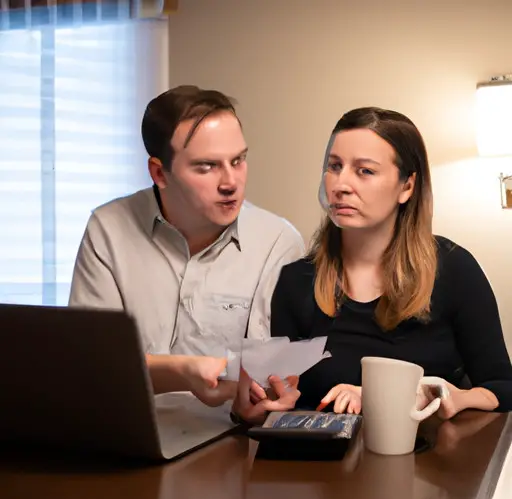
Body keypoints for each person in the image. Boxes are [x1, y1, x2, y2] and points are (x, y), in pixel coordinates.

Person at [68, 85, 304, 407]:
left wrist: (260, 404)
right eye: (206, 166)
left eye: (238, 160)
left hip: (229, 439)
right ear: (159, 173)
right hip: (124, 430)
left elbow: (268, 380)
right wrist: (184, 371)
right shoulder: (108, 228)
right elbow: (90, 363)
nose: (230, 182)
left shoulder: (278, 242)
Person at [269, 106, 512, 419]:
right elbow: (284, 397)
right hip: (323, 463)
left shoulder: (453, 269)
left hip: (429, 461)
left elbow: (503, 388)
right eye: (334, 166)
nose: (341, 185)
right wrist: (263, 401)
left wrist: (447, 395)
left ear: (407, 186)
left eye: (364, 171)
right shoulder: (296, 280)